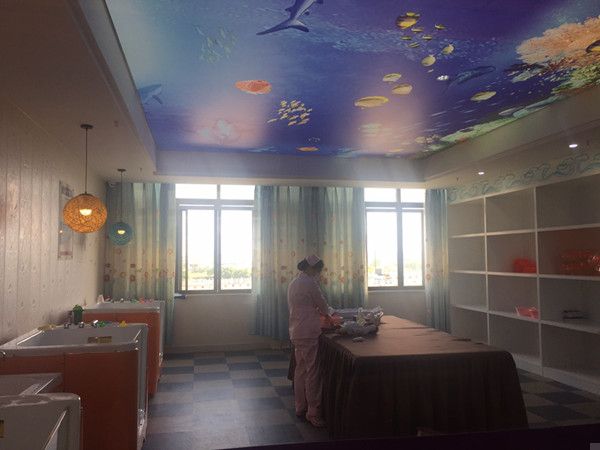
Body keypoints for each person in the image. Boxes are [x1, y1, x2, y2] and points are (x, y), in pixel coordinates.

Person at [287, 254, 330, 428]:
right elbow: (323, 305)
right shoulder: (310, 283)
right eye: (318, 270)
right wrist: (328, 314)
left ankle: (300, 407)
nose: (319, 273)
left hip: (296, 331)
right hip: (309, 332)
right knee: (312, 372)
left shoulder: (293, 283)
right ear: (311, 268)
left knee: (300, 370)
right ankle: (313, 413)